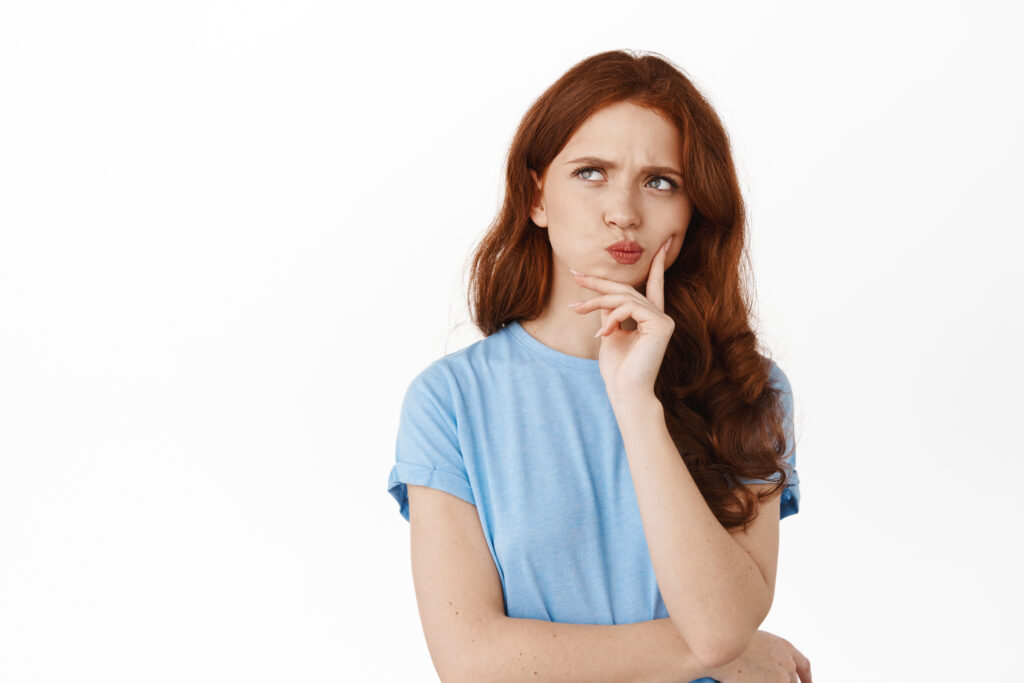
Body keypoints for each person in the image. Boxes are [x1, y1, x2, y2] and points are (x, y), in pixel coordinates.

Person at [386, 49, 812, 683]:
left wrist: (637, 404)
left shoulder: (749, 389)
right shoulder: (451, 400)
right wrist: (713, 656)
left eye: (660, 181)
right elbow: (472, 662)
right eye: (591, 173)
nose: (625, 212)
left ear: (694, 209)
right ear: (536, 196)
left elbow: (720, 627)